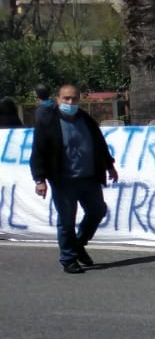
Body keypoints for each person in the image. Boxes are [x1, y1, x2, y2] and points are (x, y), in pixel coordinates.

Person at [30, 84, 118, 274]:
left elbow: (99, 144)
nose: (70, 102)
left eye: (74, 99)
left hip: (88, 177)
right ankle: (68, 258)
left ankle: (79, 244)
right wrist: (39, 179)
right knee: (67, 220)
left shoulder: (85, 119)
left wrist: (109, 166)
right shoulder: (48, 122)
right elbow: (39, 151)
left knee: (97, 211)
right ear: (58, 99)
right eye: (66, 99)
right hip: (63, 180)